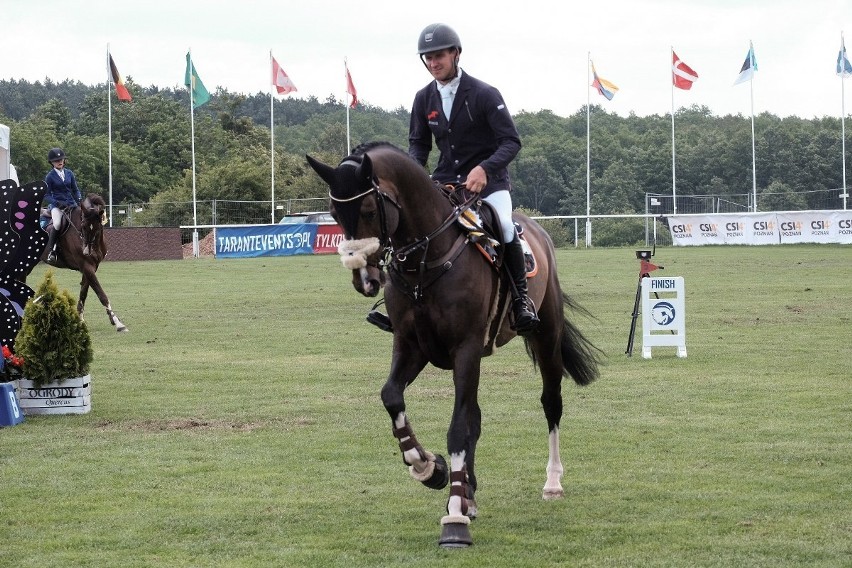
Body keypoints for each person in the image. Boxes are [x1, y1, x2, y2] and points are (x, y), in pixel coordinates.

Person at [408, 23, 539, 334]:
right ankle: (405, 304)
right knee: (413, 227)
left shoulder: (484, 93)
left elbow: (511, 141)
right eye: (427, 58)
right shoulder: (423, 98)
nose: (433, 63)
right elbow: (419, 145)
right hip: (444, 184)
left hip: (489, 184)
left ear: (456, 53)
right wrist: (415, 177)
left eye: (439, 55)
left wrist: (485, 168)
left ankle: (521, 301)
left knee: (505, 226)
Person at [43, 147, 82, 264]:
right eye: (56, 160)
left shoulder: (69, 173)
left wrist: (79, 198)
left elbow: (75, 190)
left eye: (61, 159)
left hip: (72, 204)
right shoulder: (50, 176)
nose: (60, 162)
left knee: (83, 220)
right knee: (57, 223)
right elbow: (46, 195)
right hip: (57, 206)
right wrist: (56, 203)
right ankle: (51, 251)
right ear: (52, 163)